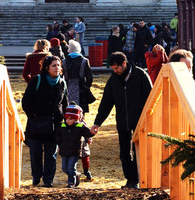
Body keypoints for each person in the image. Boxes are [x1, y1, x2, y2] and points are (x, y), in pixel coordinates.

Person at [90, 51, 152, 189]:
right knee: (124, 153)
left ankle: (139, 179)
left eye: (117, 68)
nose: (115, 71)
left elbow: (151, 99)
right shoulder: (113, 80)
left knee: (139, 152)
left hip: (140, 122)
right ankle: (131, 181)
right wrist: (97, 123)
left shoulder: (141, 75)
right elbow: (106, 103)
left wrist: (148, 119)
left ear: (124, 63)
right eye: (113, 69)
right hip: (123, 121)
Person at [22, 54, 67, 187]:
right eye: (54, 65)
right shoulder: (37, 80)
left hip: (54, 125)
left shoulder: (62, 83)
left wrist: (65, 120)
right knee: (35, 153)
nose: (57, 68)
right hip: (36, 124)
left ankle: (48, 180)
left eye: (59, 65)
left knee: (51, 154)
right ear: (47, 67)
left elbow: (65, 103)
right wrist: (33, 115)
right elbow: (26, 102)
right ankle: (36, 178)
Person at [56, 103, 93, 188]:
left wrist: (91, 133)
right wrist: (60, 143)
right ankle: (77, 175)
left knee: (71, 168)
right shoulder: (62, 125)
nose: (68, 121)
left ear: (75, 119)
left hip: (75, 151)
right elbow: (57, 135)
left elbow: (87, 133)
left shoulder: (80, 126)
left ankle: (71, 183)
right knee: (64, 168)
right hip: (64, 151)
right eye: (67, 119)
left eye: (71, 119)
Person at [64, 40, 93, 112]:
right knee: (80, 112)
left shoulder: (64, 61)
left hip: (67, 88)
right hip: (81, 88)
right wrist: (86, 87)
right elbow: (89, 77)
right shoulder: (84, 61)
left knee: (68, 111)